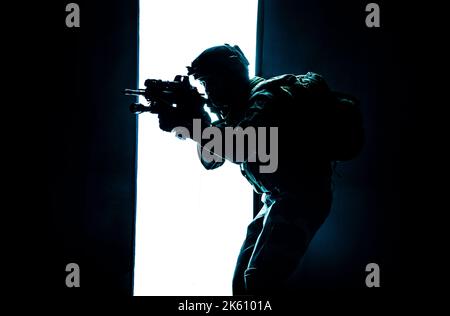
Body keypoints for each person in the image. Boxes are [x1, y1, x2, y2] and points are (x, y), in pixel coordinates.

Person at [156, 44, 362, 294]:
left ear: (231, 73)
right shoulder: (239, 108)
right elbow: (213, 159)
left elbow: (241, 148)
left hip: (302, 196)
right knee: (243, 283)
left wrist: (195, 124)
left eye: (211, 82)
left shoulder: (266, 98)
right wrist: (193, 121)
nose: (208, 91)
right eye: (203, 84)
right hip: (278, 196)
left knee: (259, 281)